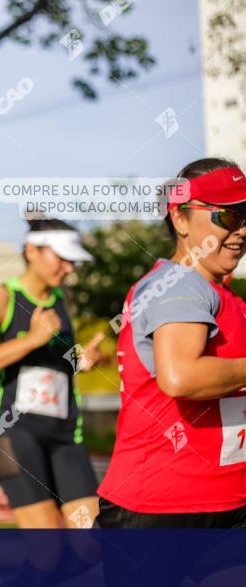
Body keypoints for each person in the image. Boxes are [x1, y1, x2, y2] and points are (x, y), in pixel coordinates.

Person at [97, 158, 246, 528]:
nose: (241, 229)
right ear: (179, 218)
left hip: (225, 503)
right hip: (163, 510)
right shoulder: (180, 284)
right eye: (226, 216)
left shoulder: (221, 294)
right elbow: (181, 377)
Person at [0, 218, 102, 529]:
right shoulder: (3, 296)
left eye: (72, 261)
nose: (69, 268)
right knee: (50, 551)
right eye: (61, 258)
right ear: (31, 250)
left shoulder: (63, 299)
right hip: (15, 434)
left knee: (93, 540)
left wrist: (82, 360)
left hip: (65, 435)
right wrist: (32, 339)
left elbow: (52, 363)